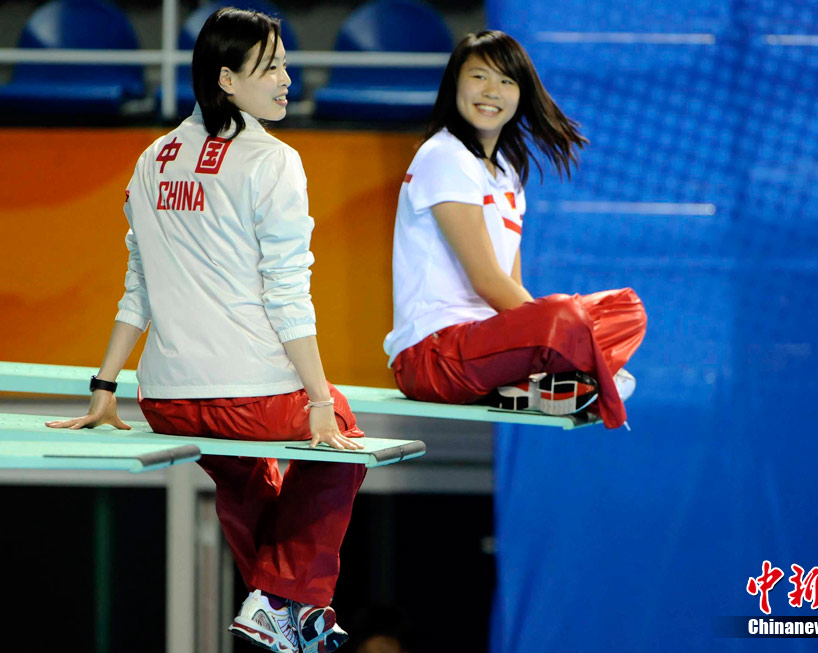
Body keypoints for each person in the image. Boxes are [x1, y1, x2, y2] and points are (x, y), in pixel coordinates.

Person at [47, 8, 362, 653]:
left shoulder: (151, 158)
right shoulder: (274, 161)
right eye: (269, 67)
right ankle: (284, 598)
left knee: (253, 480)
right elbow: (288, 295)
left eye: (284, 64)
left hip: (166, 403)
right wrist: (320, 399)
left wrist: (105, 388)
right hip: (250, 400)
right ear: (226, 78)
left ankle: (283, 613)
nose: (286, 78)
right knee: (340, 430)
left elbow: (137, 288)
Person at [384, 30, 648, 430]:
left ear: (521, 94)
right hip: (431, 357)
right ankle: (574, 378)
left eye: (506, 81)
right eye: (479, 76)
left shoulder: (507, 172)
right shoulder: (444, 155)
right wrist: (556, 332)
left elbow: (512, 284)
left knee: (626, 309)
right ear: (455, 83)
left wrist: (551, 335)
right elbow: (488, 281)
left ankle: (542, 384)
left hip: (486, 346)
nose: (492, 91)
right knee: (563, 316)